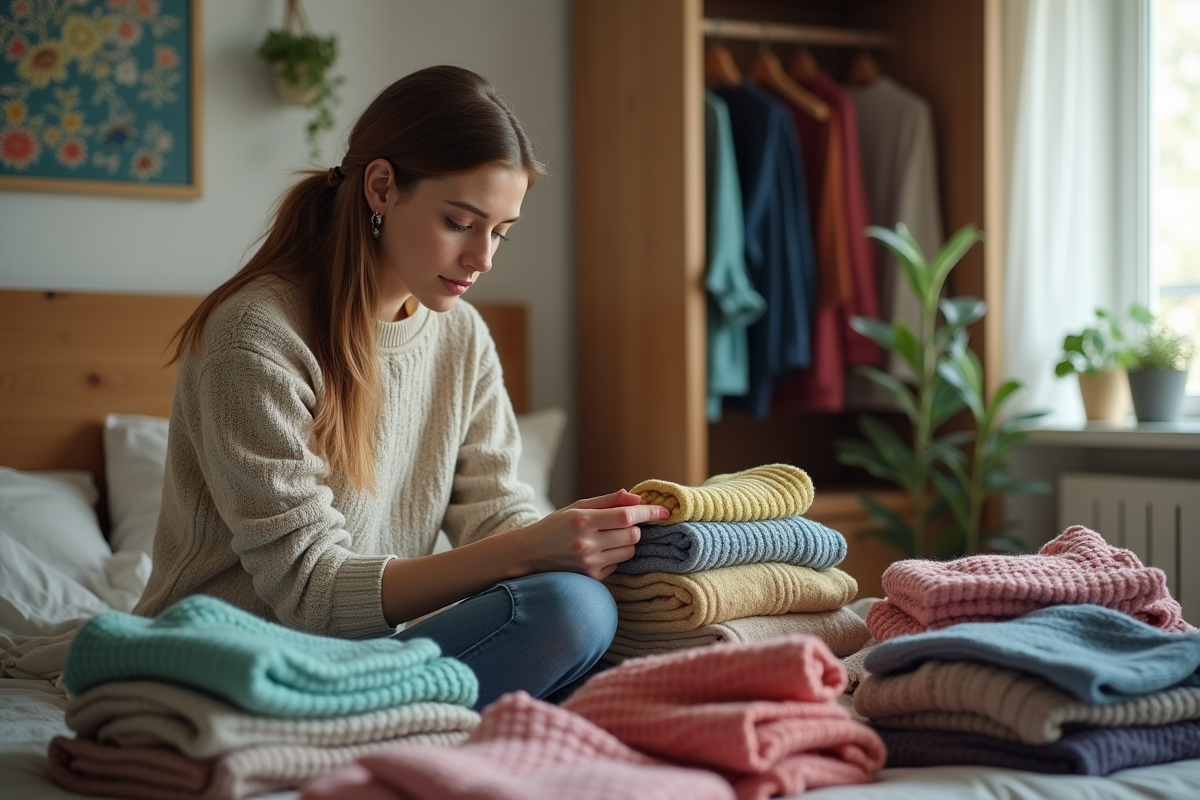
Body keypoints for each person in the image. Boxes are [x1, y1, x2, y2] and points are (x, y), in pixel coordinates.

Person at [133, 65, 668, 710]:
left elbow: (494, 512)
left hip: (371, 651)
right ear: (382, 187)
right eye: (461, 222)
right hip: (244, 650)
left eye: (499, 232)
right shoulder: (256, 336)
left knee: (601, 607)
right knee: (569, 615)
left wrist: (589, 544)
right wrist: (530, 551)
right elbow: (311, 593)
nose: (483, 260)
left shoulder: (461, 335)